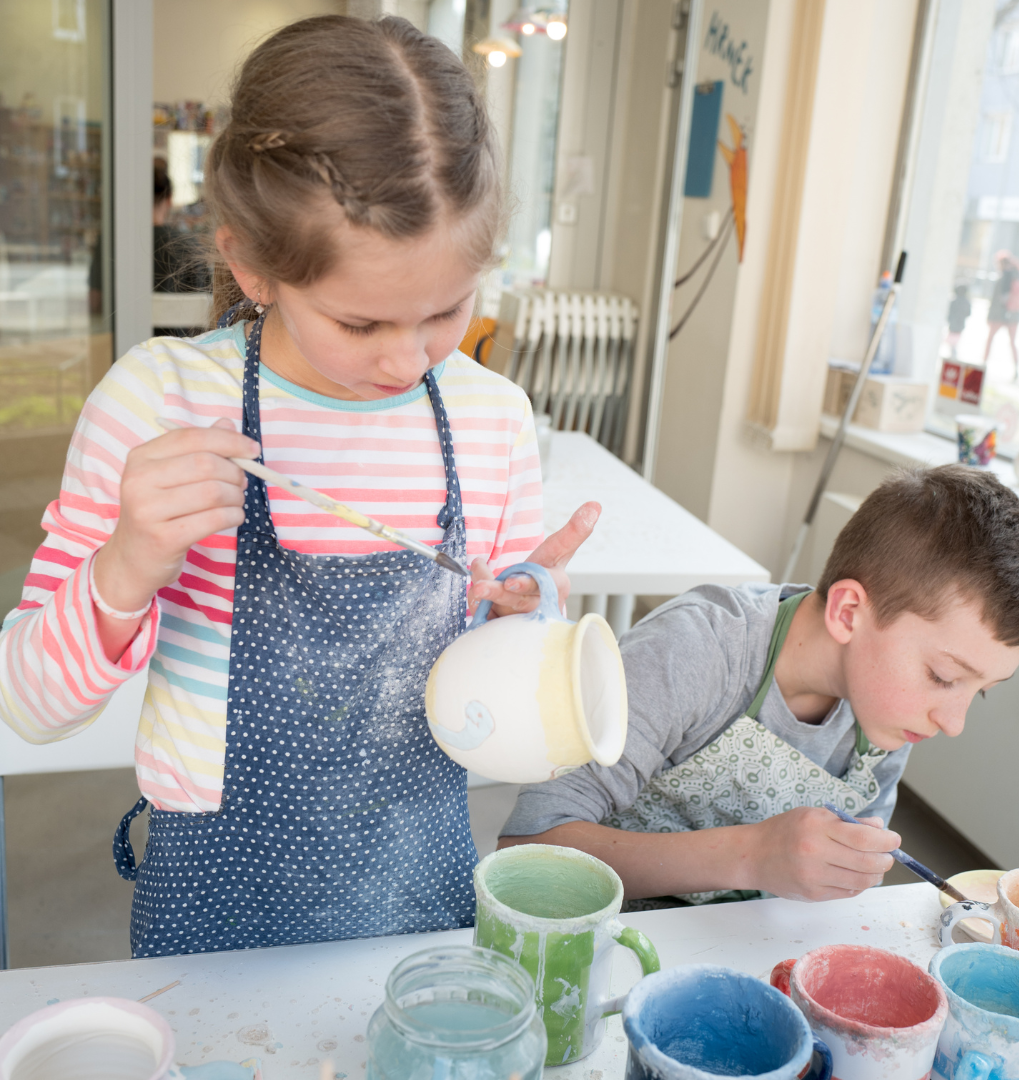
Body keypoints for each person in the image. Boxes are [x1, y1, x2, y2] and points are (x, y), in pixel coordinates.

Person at [0, 15, 598, 957]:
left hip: (417, 895)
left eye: (446, 310)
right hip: (213, 903)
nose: (408, 360)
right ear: (251, 264)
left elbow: (492, 684)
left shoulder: (491, 421)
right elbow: (30, 705)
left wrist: (532, 622)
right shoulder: (160, 405)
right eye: (361, 324)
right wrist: (127, 564)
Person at [499, 466, 1019, 907]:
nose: (954, 721)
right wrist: (750, 855)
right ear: (848, 611)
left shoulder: (887, 721)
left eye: (981, 689)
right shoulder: (700, 650)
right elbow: (526, 848)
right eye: (943, 677)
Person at [152, 157, 211, 336]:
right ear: (169, 199)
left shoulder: (113, 245)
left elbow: (95, 301)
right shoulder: (189, 246)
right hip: (179, 352)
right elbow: (208, 311)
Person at [983, 250, 1019, 380]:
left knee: (990, 339)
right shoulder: (1017, 276)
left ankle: (983, 364)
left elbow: (997, 299)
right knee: (1012, 342)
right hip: (1013, 315)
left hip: (1000, 315)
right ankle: (1016, 369)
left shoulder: (1004, 277)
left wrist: (989, 317)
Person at [945, 283, 971, 359]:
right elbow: (968, 313)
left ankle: (953, 350)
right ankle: (953, 350)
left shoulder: (954, 301)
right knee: (955, 340)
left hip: (953, 324)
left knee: (952, 340)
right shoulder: (966, 302)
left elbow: (949, 313)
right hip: (960, 325)